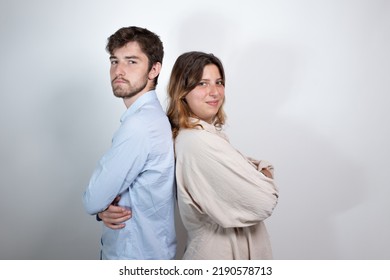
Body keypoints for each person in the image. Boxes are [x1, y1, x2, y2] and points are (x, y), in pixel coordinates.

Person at [166, 51, 279, 259]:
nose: (215, 92)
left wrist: (256, 174)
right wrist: (261, 174)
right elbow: (264, 200)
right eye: (202, 83)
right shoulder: (197, 142)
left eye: (218, 82)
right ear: (182, 91)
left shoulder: (206, 135)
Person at [82, 26, 176, 260]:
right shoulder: (151, 118)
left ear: (154, 69)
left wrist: (101, 205)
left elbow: (92, 199)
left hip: (134, 257)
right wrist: (104, 208)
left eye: (131, 61)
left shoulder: (139, 125)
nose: (118, 70)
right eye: (114, 61)